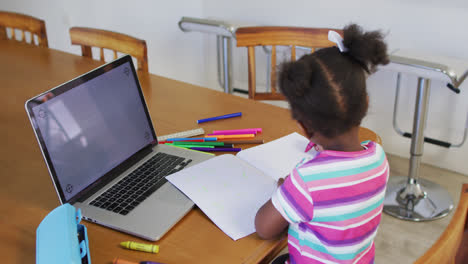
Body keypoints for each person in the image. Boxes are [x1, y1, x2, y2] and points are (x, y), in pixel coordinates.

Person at [255, 24, 390, 264]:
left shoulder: (306, 181)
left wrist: (284, 191)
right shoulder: (379, 157)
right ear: (365, 103)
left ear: (304, 126)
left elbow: (264, 228)